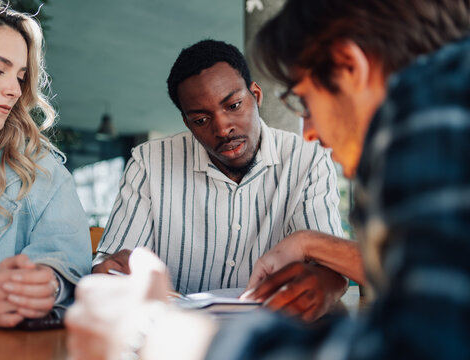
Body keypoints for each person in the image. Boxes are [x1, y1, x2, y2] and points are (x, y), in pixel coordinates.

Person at [66, 0, 470, 358]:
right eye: (201, 118)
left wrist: (170, 339)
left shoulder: (435, 127)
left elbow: (422, 348)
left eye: (303, 99)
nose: (312, 130)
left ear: (349, 68)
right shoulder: (455, 99)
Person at [93, 39, 361, 317]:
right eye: (201, 120)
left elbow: (331, 265)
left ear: (256, 96)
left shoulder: (308, 159)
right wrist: (108, 268)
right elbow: (108, 263)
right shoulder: (149, 163)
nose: (222, 129)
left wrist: (326, 284)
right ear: (187, 123)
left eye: (233, 105)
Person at [0, 0, 91, 328]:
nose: (13, 90)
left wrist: (44, 284)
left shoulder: (43, 172)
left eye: (21, 77)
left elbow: (69, 258)